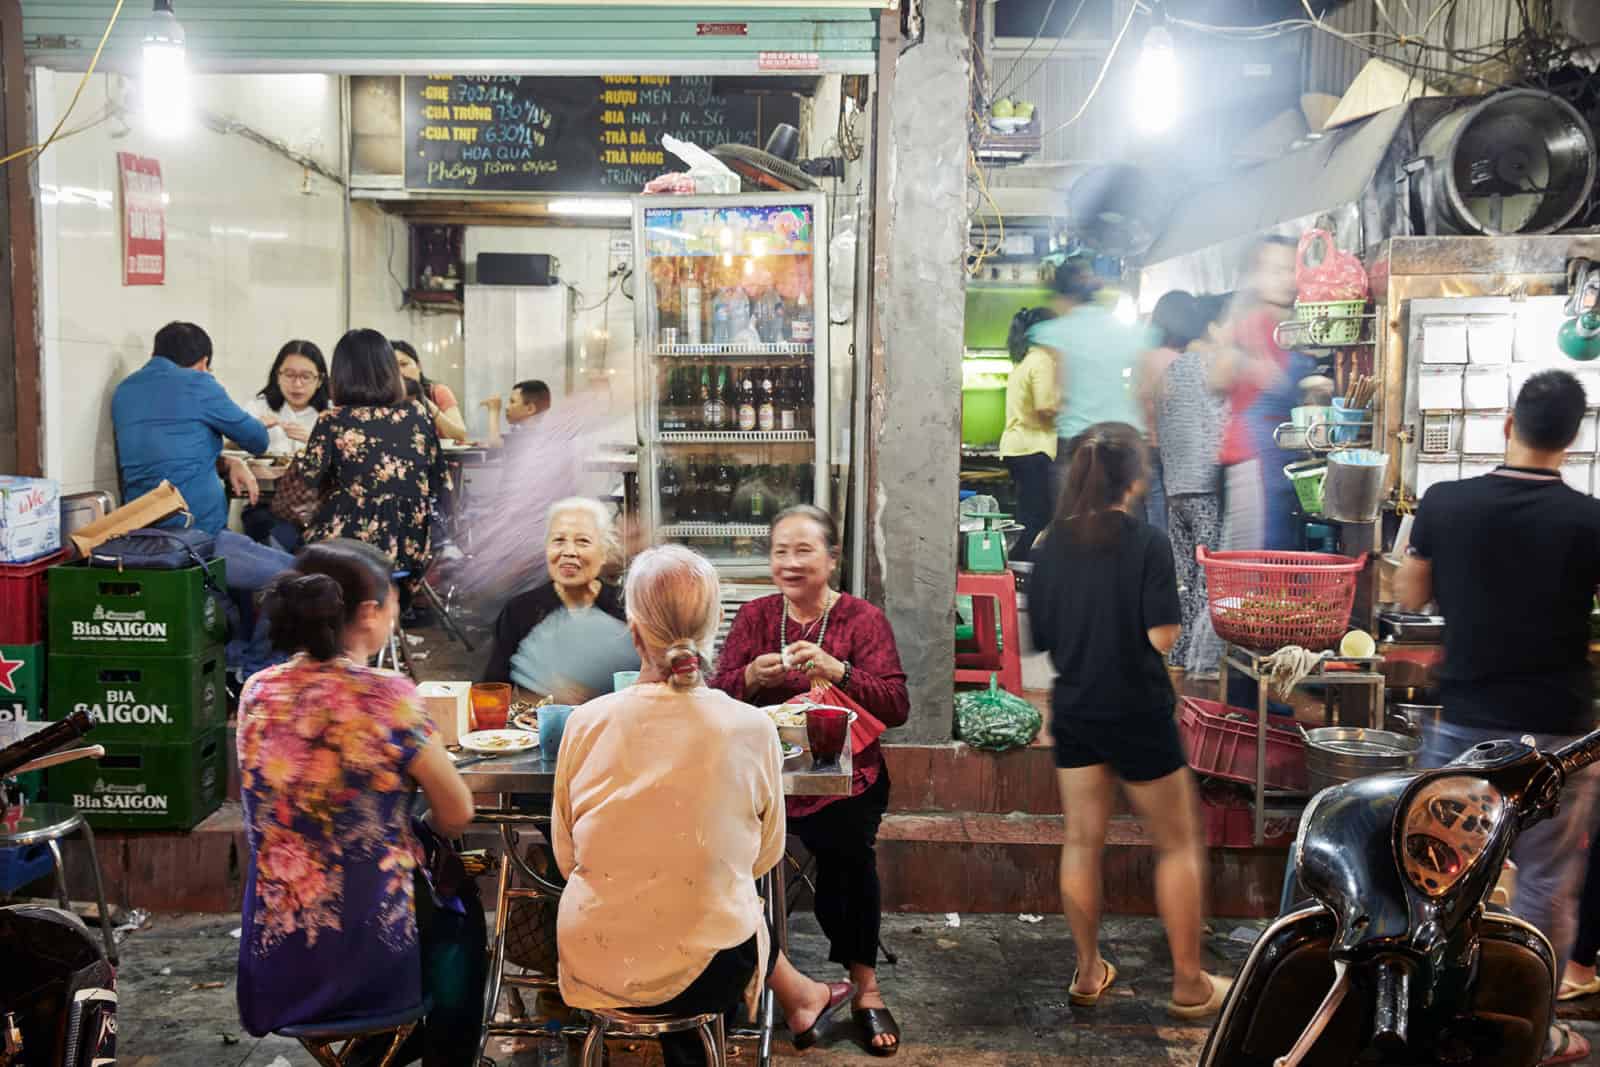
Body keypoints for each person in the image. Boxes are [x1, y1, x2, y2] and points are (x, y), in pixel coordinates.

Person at [551, 544, 854, 1066]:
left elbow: (566, 855)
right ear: (714, 630)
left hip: (595, 960)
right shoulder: (752, 727)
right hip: (711, 969)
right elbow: (764, 857)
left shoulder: (585, 723)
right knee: (735, 909)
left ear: (633, 630)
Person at [1397, 369, 1600, 1064]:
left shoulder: (1446, 501)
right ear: (1572, 438)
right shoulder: (1590, 519)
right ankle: (1533, 1029)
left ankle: (1430, 1009)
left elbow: (1411, 594)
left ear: (1507, 424)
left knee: (1440, 873)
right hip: (1560, 734)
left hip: (1466, 725)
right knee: (1547, 882)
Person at [235, 539, 478, 1063]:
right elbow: (458, 812)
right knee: (463, 916)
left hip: (278, 961)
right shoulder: (386, 696)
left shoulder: (257, 692)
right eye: (393, 605)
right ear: (368, 613)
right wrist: (418, 829)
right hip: (368, 958)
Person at [1028, 422, 1230, 1020]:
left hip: (1077, 708)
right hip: (1138, 710)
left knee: (1082, 842)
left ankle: (1089, 971)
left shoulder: (1048, 545)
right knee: (1177, 845)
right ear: (1137, 479)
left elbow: (1043, 637)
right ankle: (1189, 984)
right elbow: (1162, 634)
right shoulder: (1146, 542)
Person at [710, 505, 909, 1056]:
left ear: (832, 558)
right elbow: (715, 694)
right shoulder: (754, 617)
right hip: (757, 779)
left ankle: (866, 988)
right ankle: (754, 982)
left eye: (803, 551)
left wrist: (838, 670)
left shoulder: (862, 619)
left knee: (849, 858)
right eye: (780, 552)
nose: (790, 563)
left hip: (842, 777)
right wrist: (748, 676)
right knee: (720, 858)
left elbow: (896, 706)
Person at [111, 321, 295, 676]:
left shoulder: (125, 390)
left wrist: (226, 461)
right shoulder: (199, 384)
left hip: (141, 538)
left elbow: (169, 447)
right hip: (196, 540)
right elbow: (256, 439)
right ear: (202, 362)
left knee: (239, 596)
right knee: (293, 576)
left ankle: (236, 661)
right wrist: (238, 454)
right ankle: (255, 670)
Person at [297, 330, 452, 585]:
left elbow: (308, 485)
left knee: (286, 538)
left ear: (340, 374)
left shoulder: (332, 420)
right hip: (412, 549)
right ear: (390, 370)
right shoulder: (417, 413)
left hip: (352, 549)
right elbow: (441, 482)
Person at [479, 497, 630, 701]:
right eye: (559, 540)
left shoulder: (629, 606)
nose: (568, 552)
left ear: (604, 553)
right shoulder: (520, 610)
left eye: (583, 541)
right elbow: (493, 690)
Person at [1030, 262, 1154, 492]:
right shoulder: (1124, 331)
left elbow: (1054, 395)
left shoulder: (1056, 332)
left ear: (1062, 297)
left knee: (1072, 520)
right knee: (1123, 520)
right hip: (1124, 439)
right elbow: (1145, 388)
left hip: (1079, 441)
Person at [1209, 235, 1297, 550]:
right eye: (1276, 271)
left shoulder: (1294, 325)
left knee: (1280, 557)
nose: (1287, 280)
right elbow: (1216, 381)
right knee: (1253, 562)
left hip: (1285, 455)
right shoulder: (1247, 324)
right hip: (1253, 455)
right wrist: (1243, 361)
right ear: (1256, 275)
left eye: (1292, 270)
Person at [1160, 294, 1231, 679]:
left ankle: (1179, 653)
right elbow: (1222, 427)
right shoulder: (1213, 367)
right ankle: (1202, 662)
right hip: (1205, 487)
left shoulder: (1171, 370)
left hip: (1175, 488)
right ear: (1213, 328)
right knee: (1210, 577)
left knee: (1185, 578)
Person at [242, 340, 330, 552]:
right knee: (267, 526)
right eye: (289, 375)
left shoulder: (331, 413)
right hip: (266, 503)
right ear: (277, 376)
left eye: (306, 376)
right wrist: (251, 431)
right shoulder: (258, 407)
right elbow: (231, 447)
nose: (297, 384)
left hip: (318, 504)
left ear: (319, 380)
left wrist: (316, 442)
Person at [999, 307, 1058, 564]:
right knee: (1037, 520)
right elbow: (1045, 407)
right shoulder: (1042, 360)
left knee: (1028, 517)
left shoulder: (1024, 361)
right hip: (1034, 449)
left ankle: (1016, 568)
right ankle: (1019, 571)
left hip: (1017, 448)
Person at [394, 339, 468, 444]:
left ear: (419, 366)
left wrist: (425, 402)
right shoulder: (387, 398)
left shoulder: (438, 392)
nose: (400, 372)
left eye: (404, 364)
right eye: (393, 368)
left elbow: (461, 435)